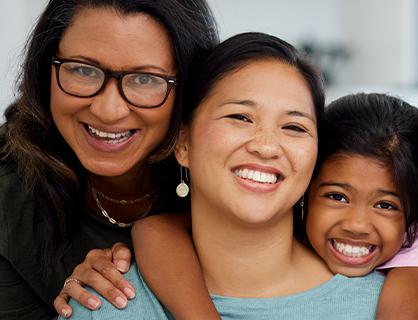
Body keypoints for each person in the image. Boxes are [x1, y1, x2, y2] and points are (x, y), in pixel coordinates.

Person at [65, 32, 384, 319]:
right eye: (241, 117)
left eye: (294, 127)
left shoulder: (385, 307)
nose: (267, 146)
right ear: (183, 144)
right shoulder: (106, 306)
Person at [112, 93, 418, 319]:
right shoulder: (280, 225)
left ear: (415, 213)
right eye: (336, 196)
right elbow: (153, 228)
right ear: (305, 185)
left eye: (387, 205)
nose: (357, 223)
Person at [0, 0, 217, 318]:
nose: (108, 110)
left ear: (190, 88)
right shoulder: (8, 190)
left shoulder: (228, 163)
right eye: (83, 70)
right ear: (45, 68)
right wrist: (78, 312)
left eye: (145, 79)